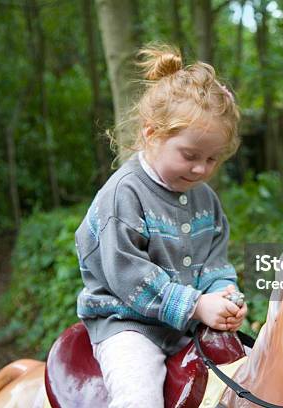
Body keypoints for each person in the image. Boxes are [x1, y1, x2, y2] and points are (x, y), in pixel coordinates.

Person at [75, 44, 247, 408]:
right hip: (128, 325)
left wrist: (225, 295)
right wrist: (197, 305)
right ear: (152, 133)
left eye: (213, 159)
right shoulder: (123, 194)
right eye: (190, 155)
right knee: (139, 398)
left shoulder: (205, 200)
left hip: (185, 325)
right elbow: (128, 276)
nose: (201, 169)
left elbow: (214, 263)